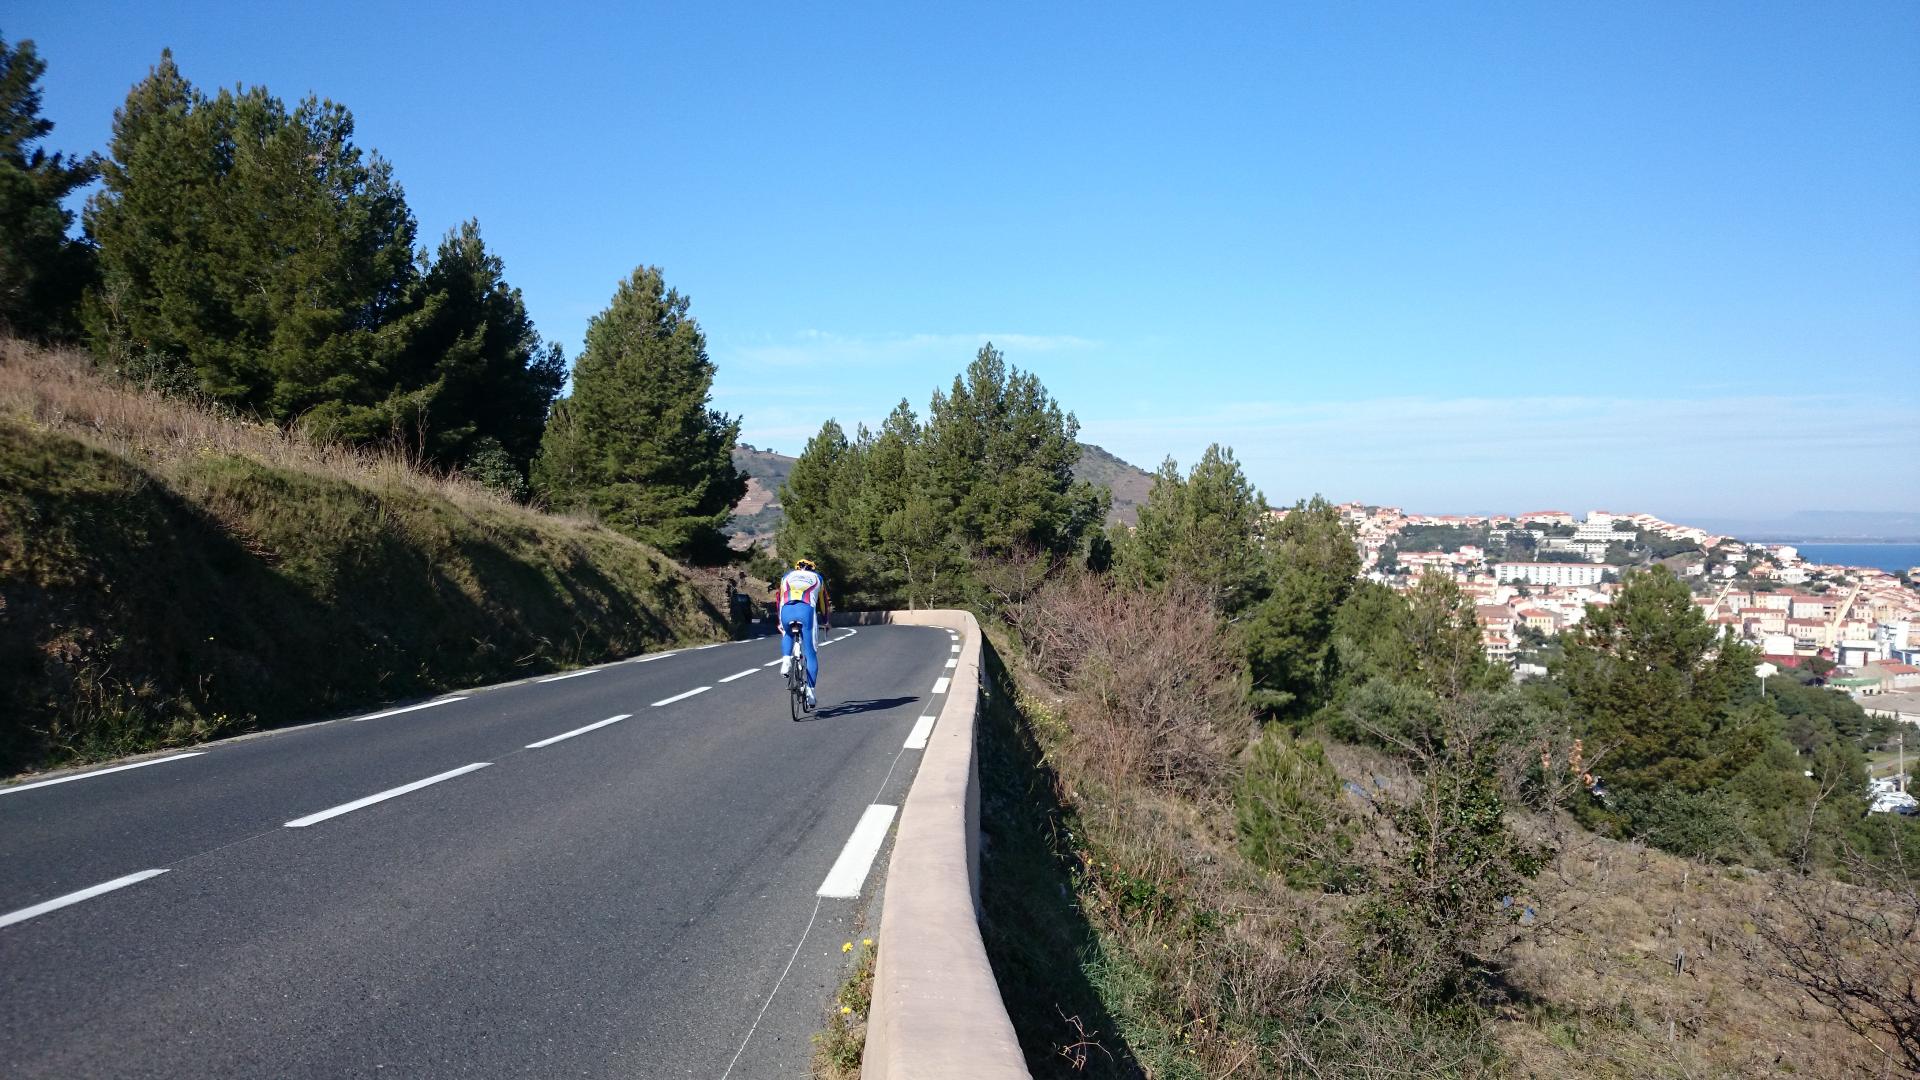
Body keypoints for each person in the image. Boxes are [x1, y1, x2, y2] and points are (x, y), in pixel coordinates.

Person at [777, 558, 829, 708]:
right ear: (812, 569)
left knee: (788, 634)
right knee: (811, 654)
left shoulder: (786, 576)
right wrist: (826, 621)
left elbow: (779, 598)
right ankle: (811, 693)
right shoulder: (818, 578)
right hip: (806, 611)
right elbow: (823, 603)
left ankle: (786, 661)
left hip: (786, 610)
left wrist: (780, 621)